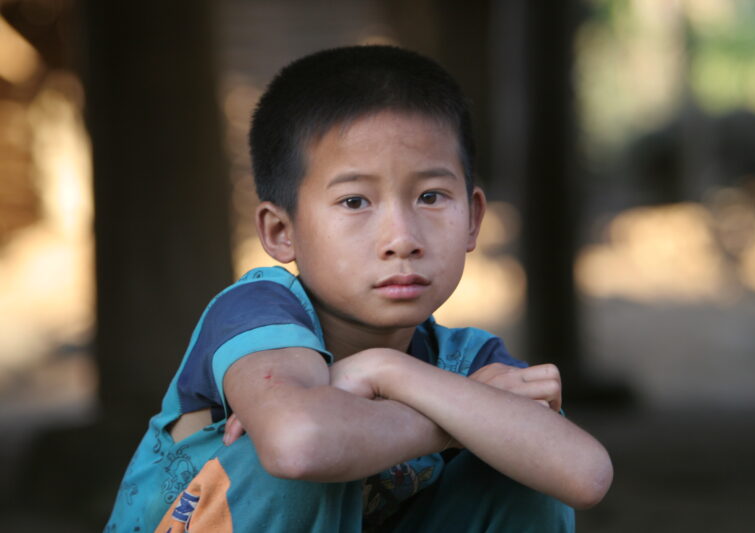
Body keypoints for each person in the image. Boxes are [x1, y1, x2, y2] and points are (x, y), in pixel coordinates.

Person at [104, 45, 612, 533]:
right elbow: (298, 444)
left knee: (524, 469)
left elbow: (583, 475)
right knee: (296, 454)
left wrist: (387, 371)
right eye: (354, 202)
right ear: (281, 231)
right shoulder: (257, 312)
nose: (402, 239)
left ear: (473, 218)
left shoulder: (467, 359)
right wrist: (455, 412)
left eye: (431, 196)